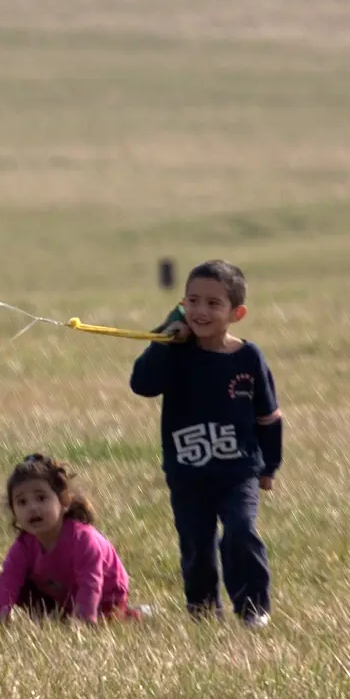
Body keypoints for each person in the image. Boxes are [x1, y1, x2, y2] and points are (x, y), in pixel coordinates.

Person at [130, 260, 282, 628]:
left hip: (238, 471)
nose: (201, 311)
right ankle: (202, 612)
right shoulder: (175, 351)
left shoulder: (249, 357)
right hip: (188, 472)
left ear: (236, 313)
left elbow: (269, 417)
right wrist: (167, 335)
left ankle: (253, 608)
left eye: (213, 304)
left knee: (241, 532)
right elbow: (143, 384)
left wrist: (269, 466)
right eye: (192, 301)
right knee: (197, 546)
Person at [0, 453, 147, 624]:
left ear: (64, 501)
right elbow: (7, 583)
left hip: (106, 596)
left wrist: (83, 622)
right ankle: (53, 618)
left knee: (107, 618)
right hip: (63, 596)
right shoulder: (24, 545)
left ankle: (134, 614)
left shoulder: (83, 539)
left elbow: (90, 583)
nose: (32, 508)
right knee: (20, 585)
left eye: (41, 498)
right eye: (22, 502)